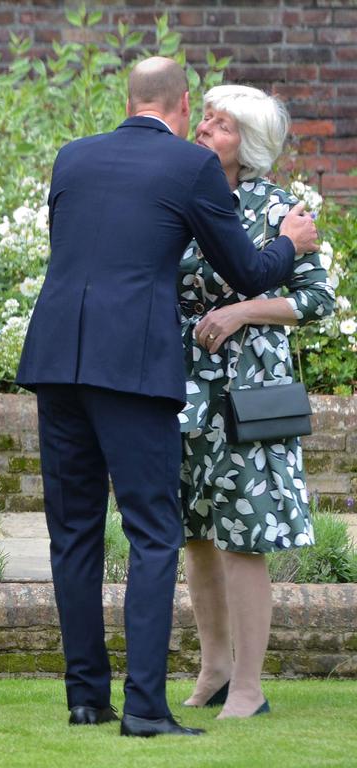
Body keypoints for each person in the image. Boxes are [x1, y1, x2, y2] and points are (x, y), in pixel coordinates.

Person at [15, 57, 320, 738]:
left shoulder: (74, 158)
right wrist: (287, 243)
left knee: (74, 535)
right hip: (131, 367)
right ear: (182, 103)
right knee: (154, 534)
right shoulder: (190, 168)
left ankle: (87, 699)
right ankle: (147, 708)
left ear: (129, 99)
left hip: (57, 359)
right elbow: (245, 270)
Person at [177, 85, 334, 718]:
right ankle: (214, 667)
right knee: (194, 534)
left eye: (221, 125)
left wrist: (243, 310)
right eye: (206, 118)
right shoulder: (181, 199)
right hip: (184, 388)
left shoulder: (279, 209)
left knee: (245, 536)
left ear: (253, 145)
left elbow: (316, 300)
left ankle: (249, 685)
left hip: (250, 394)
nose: (206, 128)